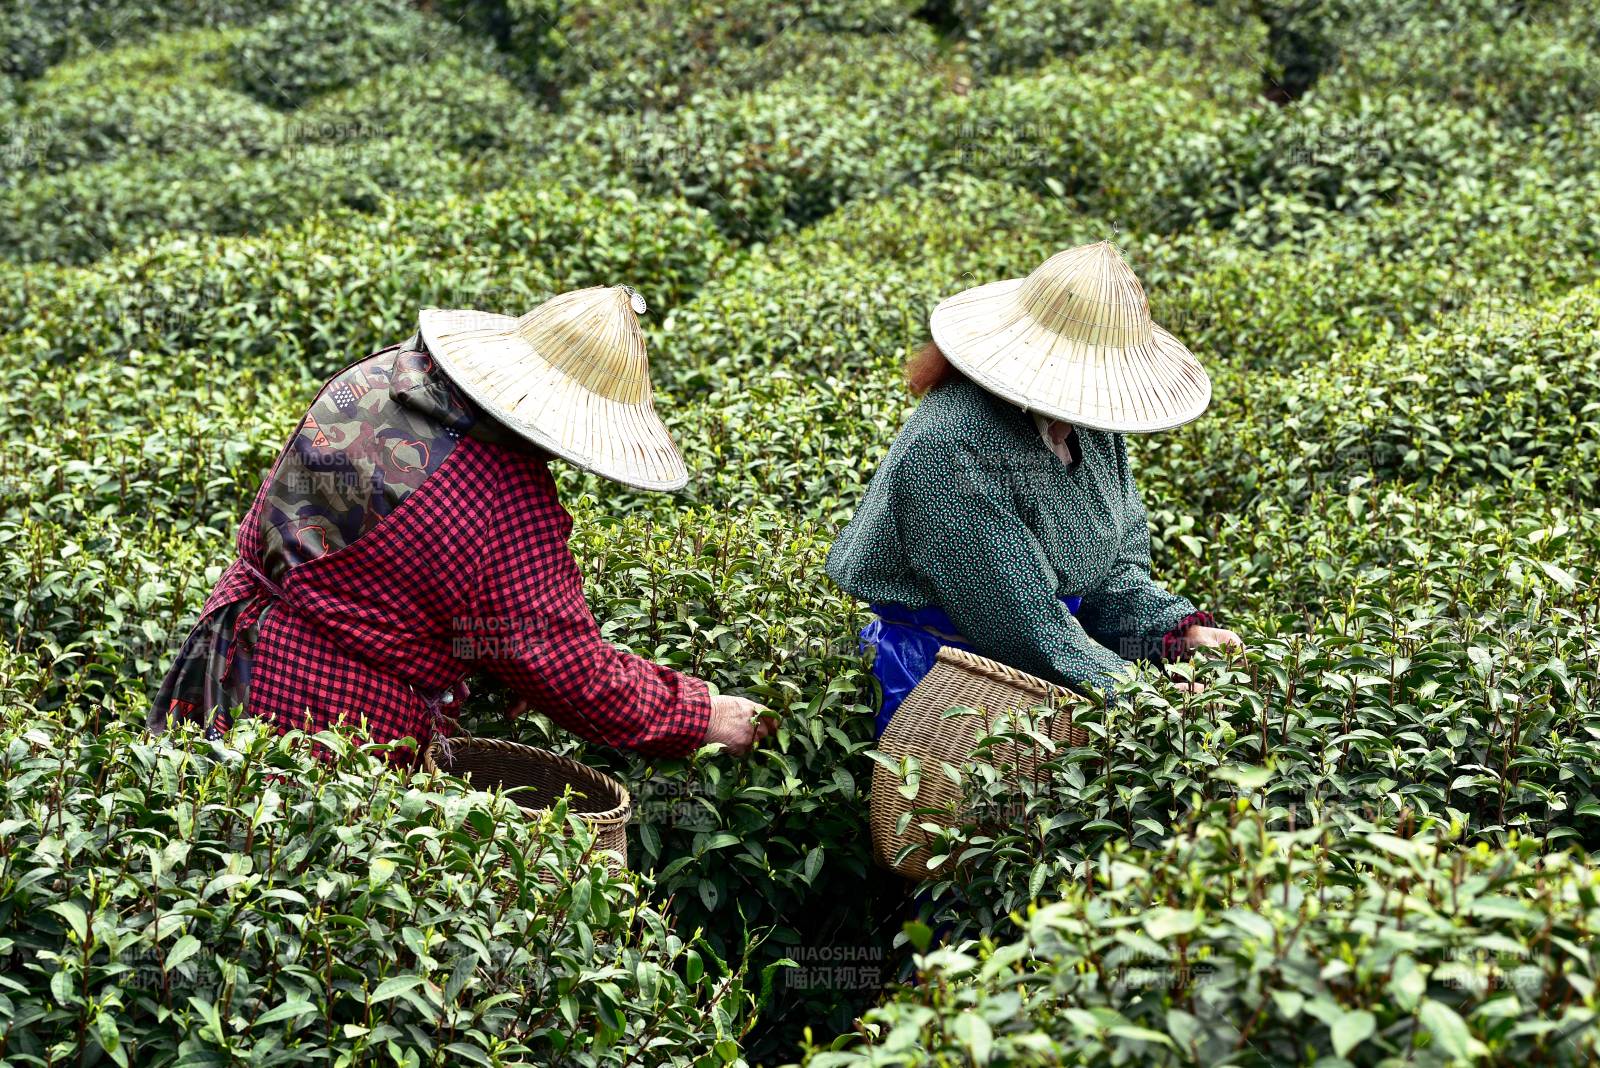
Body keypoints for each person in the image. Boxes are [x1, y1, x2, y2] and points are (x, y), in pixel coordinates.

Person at [155, 285, 774, 757]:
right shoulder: (506, 501)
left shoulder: (378, 376)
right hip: (328, 718)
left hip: (224, 652)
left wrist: (495, 655)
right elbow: (566, 664)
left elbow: (380, 575)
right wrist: (701, 715)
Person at [826, 241, 1242, 735]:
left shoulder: (1090, 430)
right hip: (940, 685)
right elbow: (1021, 621)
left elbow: (1110, 570)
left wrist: (1177, 633)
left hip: (1053, 667)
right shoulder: (949, 447)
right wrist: (1142, 698)